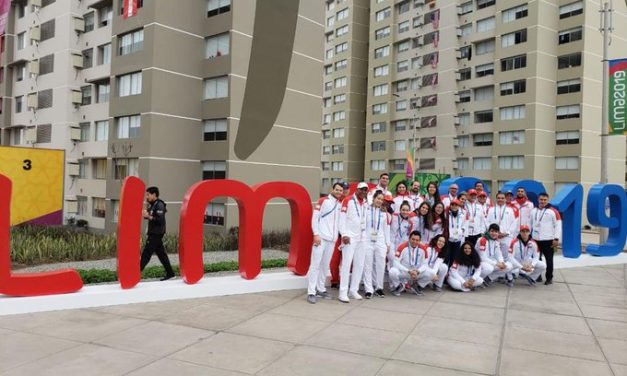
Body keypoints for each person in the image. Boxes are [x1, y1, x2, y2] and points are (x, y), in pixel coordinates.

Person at [306, 182, 343, 304]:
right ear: (332, 189)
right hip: (321, 238)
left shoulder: (339, 204)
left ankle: (320, 289)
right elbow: (314, 218)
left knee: (324, 265)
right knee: (315, 265)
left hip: (332, 240)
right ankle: (311, 292)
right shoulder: (323, 201)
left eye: (340, 190)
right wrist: (316, 234)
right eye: (337, 189)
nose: (338, 192)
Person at [338, 182, 370, 303]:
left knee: (359, 264)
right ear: (356, 190)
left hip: (362, 237)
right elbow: (341, 219)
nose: (363, 192)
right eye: (362, 189)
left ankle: (353, 290)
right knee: (346, 265)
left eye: (365, 190)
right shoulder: (348, 200)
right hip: (350, 237)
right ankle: (342, 293)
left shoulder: (366, 203)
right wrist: (344, 234)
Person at [140, 186, 175, 281]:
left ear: (154, 194)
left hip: (156, 233)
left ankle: (135, 273)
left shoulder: (159, 205)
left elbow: (159, 220)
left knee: (146, 253)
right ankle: (170, 273)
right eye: (146, 195)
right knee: (161, 254)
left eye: (148, 195)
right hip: (154, 233)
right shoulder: (152, 204)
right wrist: (146, 215)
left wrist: (149, 216)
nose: (146, 197)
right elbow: (150, 215)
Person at [363, 190, 391, 298]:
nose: (379, 201)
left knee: (380, 265)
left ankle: (379, 287)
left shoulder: (385, 214)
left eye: (381, 199)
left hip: (380, 241)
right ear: (373, 198)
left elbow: (386, 230)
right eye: (378, 198)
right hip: (368, 241)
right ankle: (368, 289)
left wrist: (387, 243)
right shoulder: (366, 211)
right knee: (368, 265)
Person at [530, 193, 561, 285]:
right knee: (536, 259)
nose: (543, 201)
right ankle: (537, 276)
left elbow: (558, 225)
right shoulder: (533, 211)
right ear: (538, 200)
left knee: (549, 260)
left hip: (548, 239)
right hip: (535, 239)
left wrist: (556, 238)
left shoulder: (553, 211)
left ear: (548, 200)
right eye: (541, 199)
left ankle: (549, 278)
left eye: (545, 200)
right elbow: (530, 223)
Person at [389, 231, 431, 296]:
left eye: (417, 240)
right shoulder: (402, 246)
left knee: (431, 273)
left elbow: (425, 264)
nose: (415, 242)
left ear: (420, 241)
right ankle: (398, 286)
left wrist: (418, 271)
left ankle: (417, 286)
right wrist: (408, 271)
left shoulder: (423, 249)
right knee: (392, 271)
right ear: (409, 238)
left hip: (416, 273)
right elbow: (395, 262)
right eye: (413, 239)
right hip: (405, 272)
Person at [486, 192, 519, 263]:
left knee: (506, 256)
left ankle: (506, 272)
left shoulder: (510, 210)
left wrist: (507, 233)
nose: (500, 199)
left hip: (506, 237)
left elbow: (514, 223)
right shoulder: (491, 209)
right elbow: (487, 222)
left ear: (505, 199)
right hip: (493, 236)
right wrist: (493, 233)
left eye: (502, 198)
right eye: (498, 198)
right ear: (496, 199)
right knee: (493, 255)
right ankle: (495, 272)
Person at [329, 181, 350, 288]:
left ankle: (347, 281)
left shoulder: (352, 201)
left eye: (346, 188)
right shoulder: (335, 201)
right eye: (343, 188)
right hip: (337, 235)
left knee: (348, 260)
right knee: (334, 260)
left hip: (348, 235)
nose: (345, 191)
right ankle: (335, 280)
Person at [446, 199, 467, 266]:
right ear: (450, 206)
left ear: (458, 206)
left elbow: (464, 224)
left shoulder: (462, 215)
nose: (454, 206)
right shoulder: (446, 214)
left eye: (456, 205)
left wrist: (462, 231)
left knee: (454, 257)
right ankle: (445, 272)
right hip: (448, 240)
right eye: (452, 205)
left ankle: (451, 272)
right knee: (447, 256)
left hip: (457, 239)